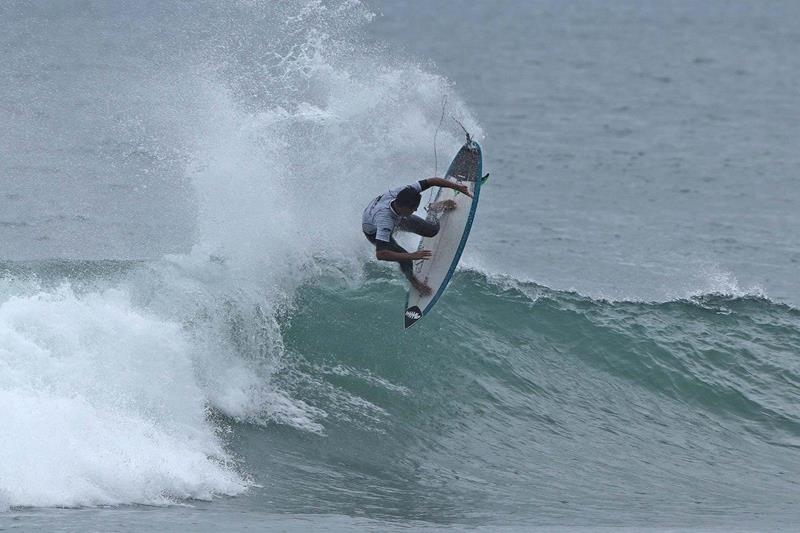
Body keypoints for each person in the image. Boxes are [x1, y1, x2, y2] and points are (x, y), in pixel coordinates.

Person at [362, 177, 472, 295]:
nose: (415, 210)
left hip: (396, 217)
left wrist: (457, 187)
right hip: (373, 231)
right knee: (405, 259)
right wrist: (412, 255)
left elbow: (432, 181)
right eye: (413, 209)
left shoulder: (404, 192)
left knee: (432, 230)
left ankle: (433, 209)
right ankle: (415, 283)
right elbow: (381, 254)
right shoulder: (385, 221)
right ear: (402, 207)